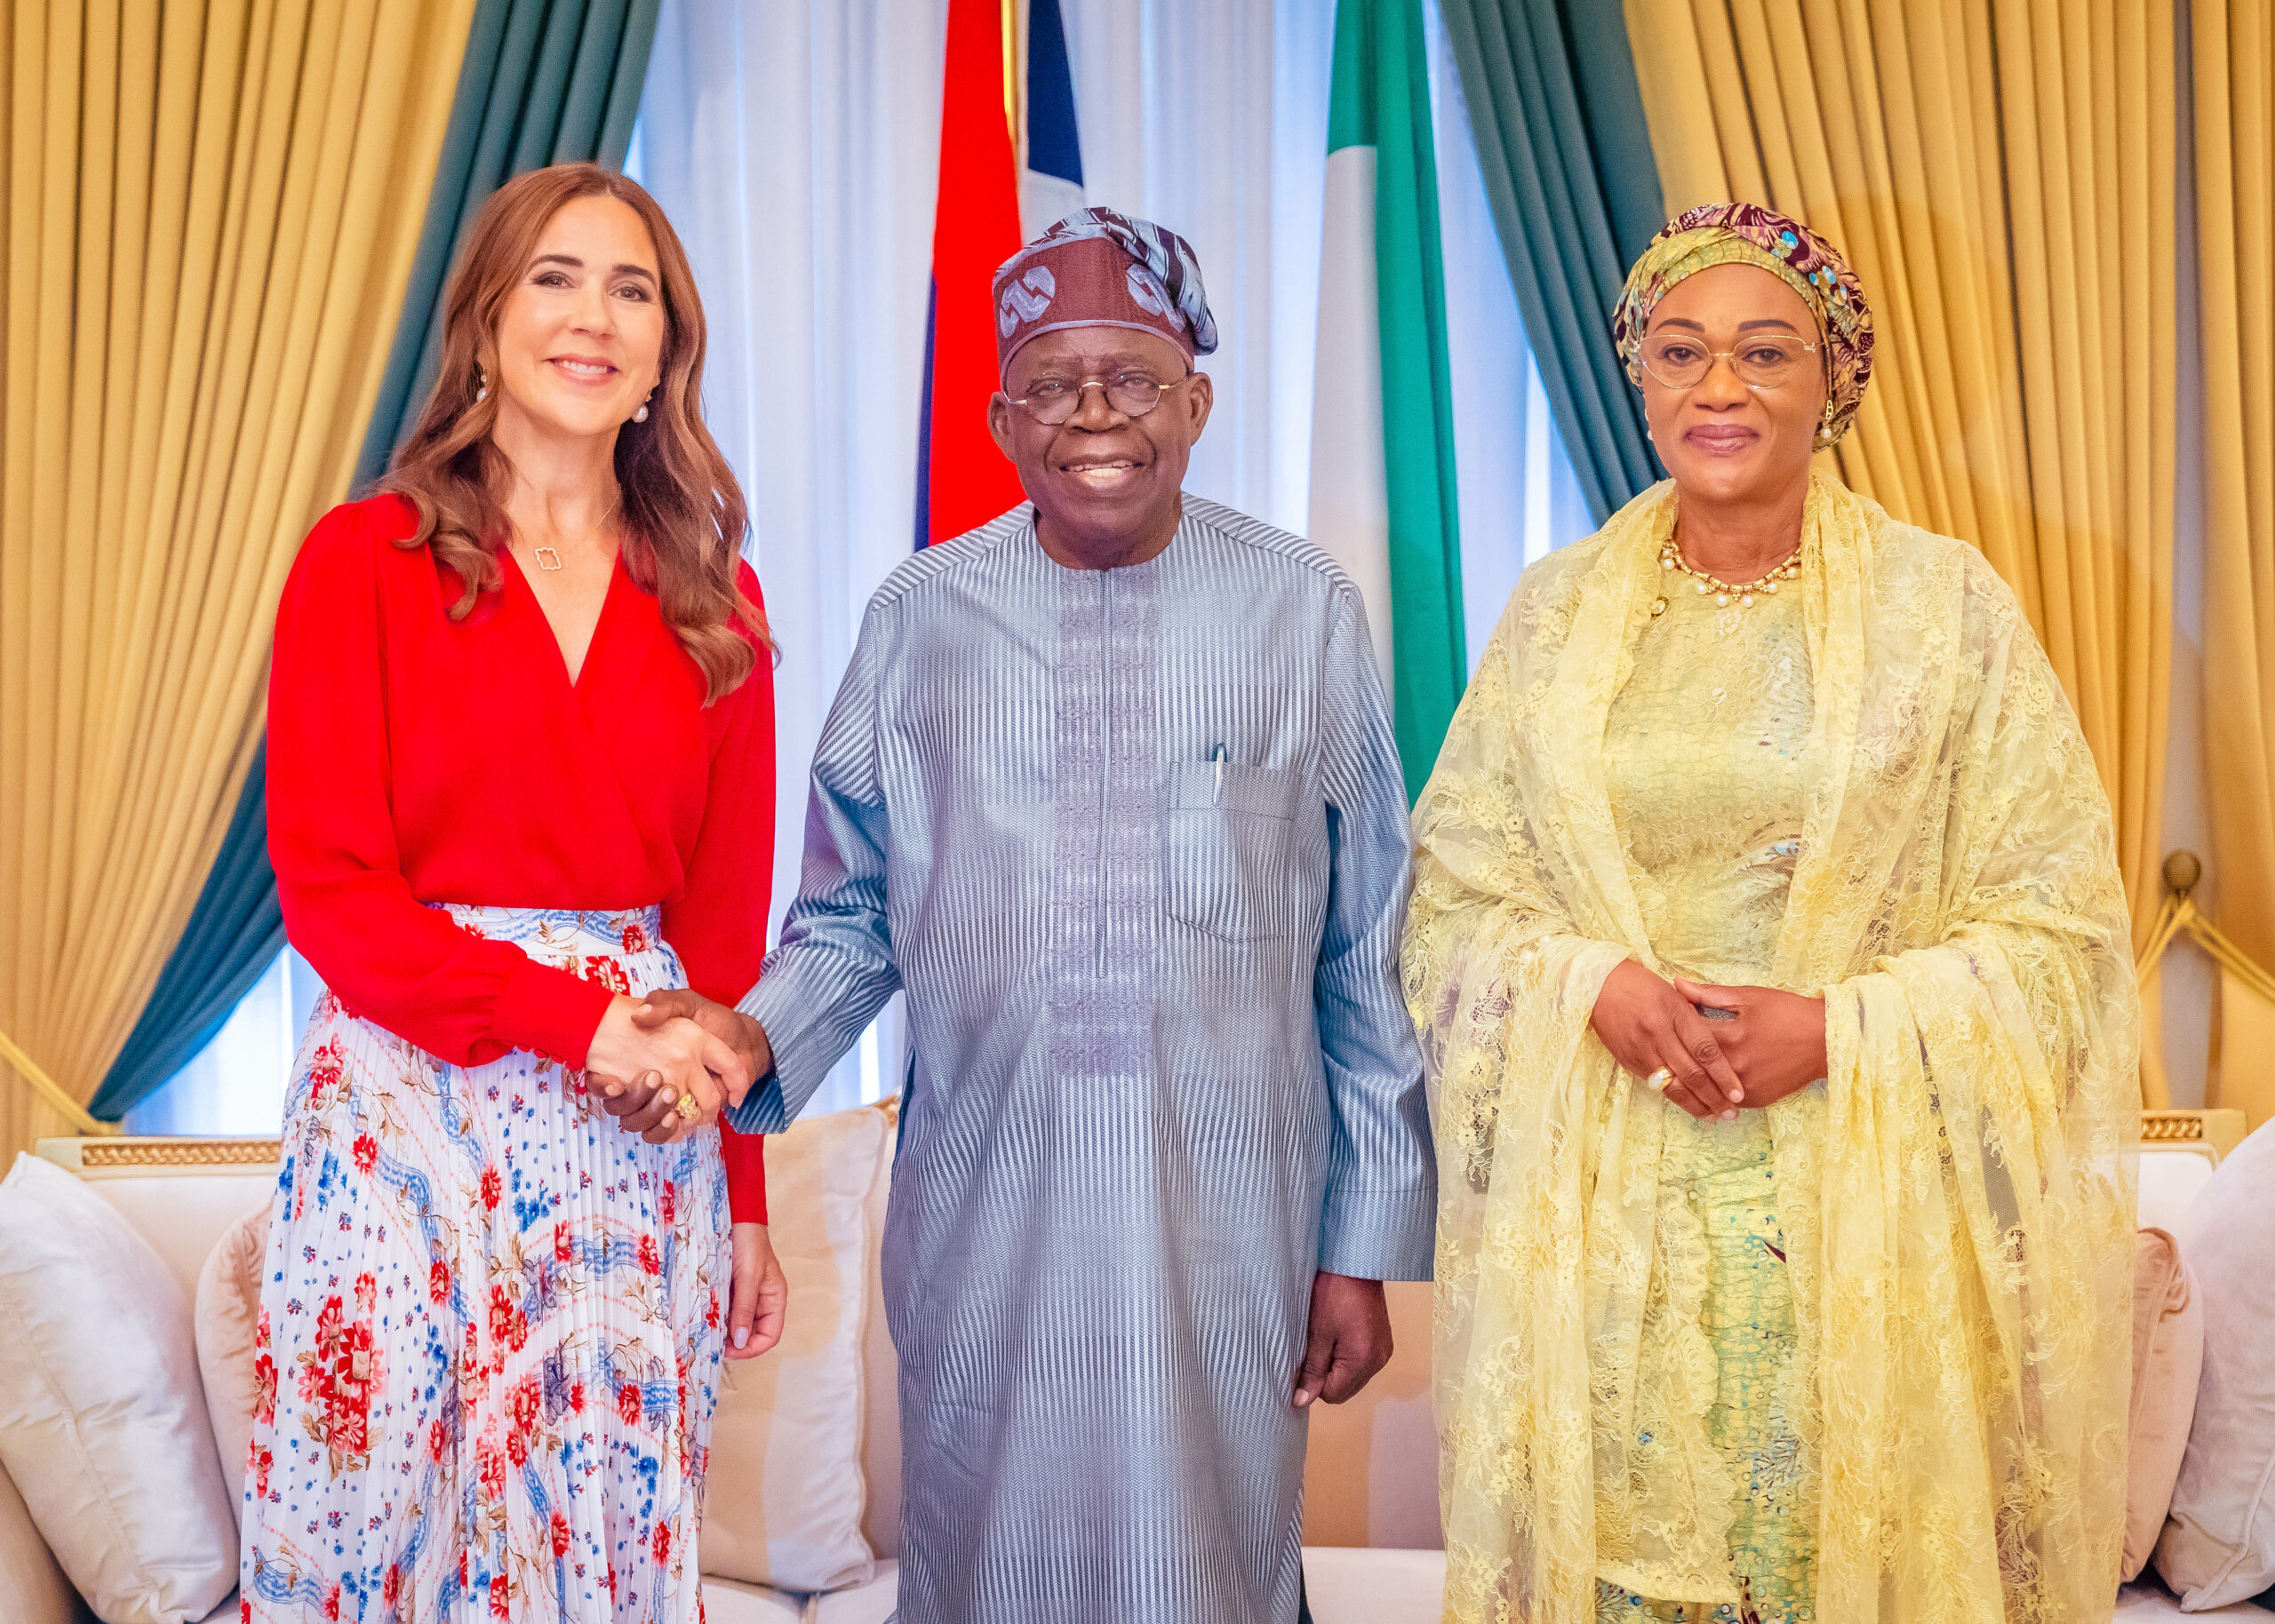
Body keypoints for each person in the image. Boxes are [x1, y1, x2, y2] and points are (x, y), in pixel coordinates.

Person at [613, 209, 1436, 1624]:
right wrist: (752, 1038)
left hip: (1226, 1225)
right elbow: (855, 910)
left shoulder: (1306, 615)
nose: (1095, 417)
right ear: (1000, 416)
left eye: (1133, 379)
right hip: (990, 1220)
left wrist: (1359, 1238)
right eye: (1054, 384)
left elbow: (1368, 951)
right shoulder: (921, 619)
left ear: (1200, 401)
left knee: (1217, 1566)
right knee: (994, 1563)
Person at [1405, 203, 2138, 1624]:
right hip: (1611, 1205)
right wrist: (1589, 988)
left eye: (1764, 352)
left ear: (1833, 381)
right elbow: (1452, 899)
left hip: (1860, 1211)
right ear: (1638, 377)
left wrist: (1846, 1030)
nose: (1719, 389)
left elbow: (2061, 929)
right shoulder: (1553, 617)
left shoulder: (1947, 614)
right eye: (1681, 352)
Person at [244, 163, 787, 1624]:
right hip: (404, 1126)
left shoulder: (718, 606)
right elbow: (336, 899)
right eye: (554, 277)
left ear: (666, 349)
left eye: (634, 290)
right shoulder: (361, 562)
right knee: (373, 1539)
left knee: (598, 1548)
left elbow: (726, 948)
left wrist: (741, 1202)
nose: (593, 317)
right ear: (482, 323)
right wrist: (584, 1024)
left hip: (635, 1154)